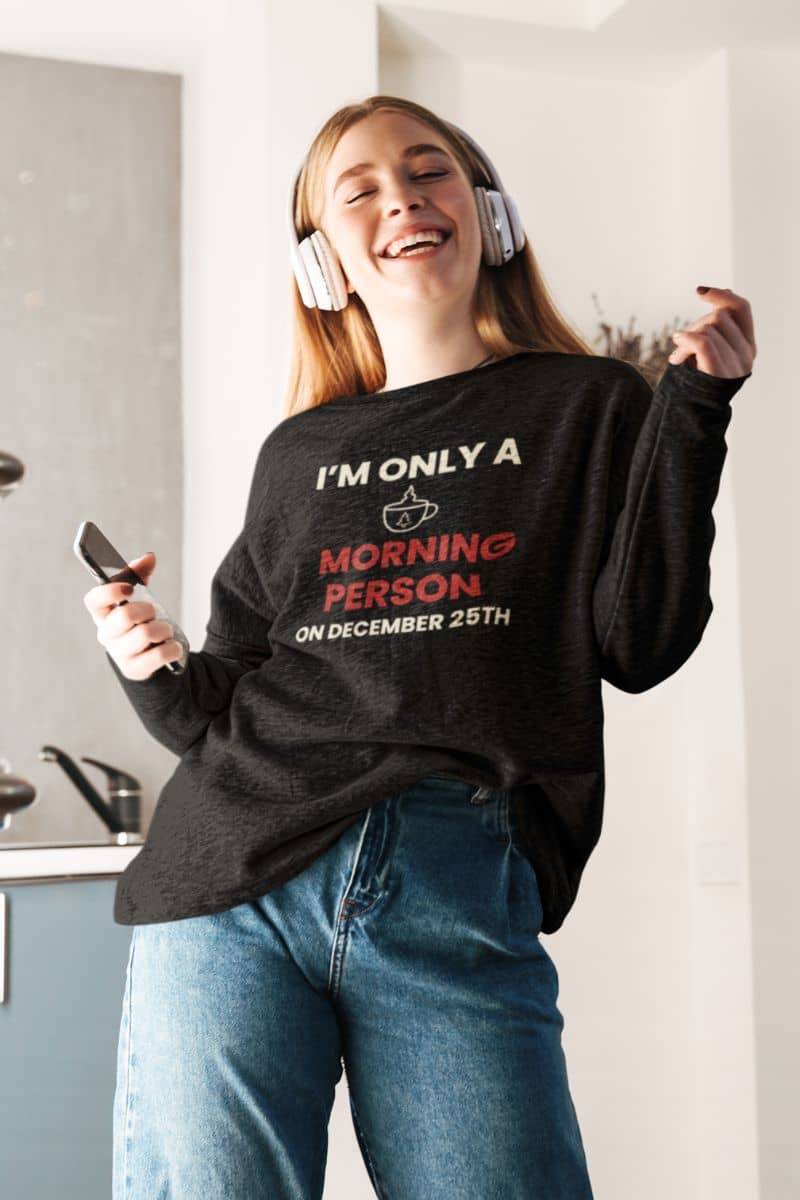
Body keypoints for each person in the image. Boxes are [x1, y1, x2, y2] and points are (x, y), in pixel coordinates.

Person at [84, 94, 756, 1198]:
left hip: (449, 867)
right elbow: (209, 713)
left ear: (486, 212)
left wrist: (694, 412)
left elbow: (638, 640)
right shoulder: (297, 451)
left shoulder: (583, 403)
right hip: (225, 882)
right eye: (357, 193)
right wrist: (140, 653)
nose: (400, 198)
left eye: (428, 170)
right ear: (322, 263)